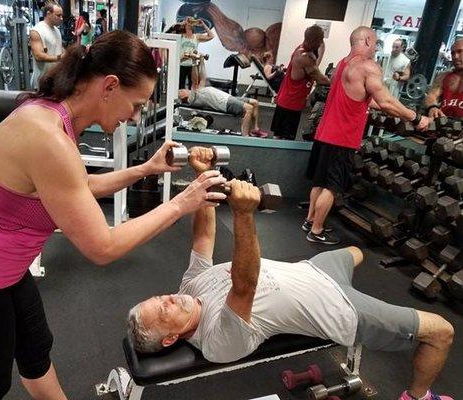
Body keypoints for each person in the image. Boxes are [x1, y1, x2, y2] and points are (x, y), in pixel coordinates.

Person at [0, 30, 227, 400]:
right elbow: (102, 247)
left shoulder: (56, 120)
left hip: (8, 274)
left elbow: (79, 186)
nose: (134, 117)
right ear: (109, 86)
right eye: (136, 104)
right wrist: (182, 203)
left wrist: (145, 169)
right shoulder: (47, 137)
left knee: (36, 354)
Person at [127, 147, 455, 400]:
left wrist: (204, 177)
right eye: (163, 309)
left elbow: (203, 237)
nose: (168, 297)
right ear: (171, 338)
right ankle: (418, 395)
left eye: (159, 297)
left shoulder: (188, 288)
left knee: (356, 252)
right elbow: (244, 286)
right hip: (338, 308)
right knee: (441, 331)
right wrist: (244, 215)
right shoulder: (215, 340)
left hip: (310, 270)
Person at [304, 26, 431, 245]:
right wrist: (417, 118)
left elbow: (363, 99)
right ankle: (316, 230)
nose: (376, 47)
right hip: (342, 137)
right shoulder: (367, 67)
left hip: (325, 134)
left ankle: (309, 220)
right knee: (333, 187)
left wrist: (379, 107)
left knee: (320, 181)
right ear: (367, 41)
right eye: (375, 42)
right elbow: (386, 101)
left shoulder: (343, 63)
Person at [178, 56, 268, 137]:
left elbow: (203, 77)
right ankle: (245, 136)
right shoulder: (192, 99)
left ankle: (255, 129)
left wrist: (201, 60)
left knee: (255, 102)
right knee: (248, 108)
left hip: (228, 98)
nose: (183, 89)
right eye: (181, 91)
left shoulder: (198, 91)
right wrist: (194, 62)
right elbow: (194, 81)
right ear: (183, 97)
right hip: (224, 103)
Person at [271, 25, 331, 141]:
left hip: (286, 100)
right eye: (320, 41)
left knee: (278, 136)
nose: (320, 44)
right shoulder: (305, 58)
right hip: (291, 103)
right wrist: (336, 83)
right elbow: (320, 78)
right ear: (315, 41)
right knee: (284, 140)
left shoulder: (301, 49)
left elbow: (313, 67)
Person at [424, 39, 463, 119]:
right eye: (453, 53)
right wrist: (432, 107)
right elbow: (432, 95)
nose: (455, 56)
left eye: (460, 52)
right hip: (443, 123)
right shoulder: (443, 76)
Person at [29, 1, 64, 89]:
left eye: (61, 15)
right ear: (48, 14)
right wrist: (59, 58)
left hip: (55, 80)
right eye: (58, 15)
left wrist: (69, 54)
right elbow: (38, 56)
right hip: (42, 82)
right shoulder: (37, 30)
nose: (61, 18)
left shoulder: (56, 30)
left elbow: (58, 48)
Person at [178, 17, 214, 89]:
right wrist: (184, 22)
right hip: (181, 64)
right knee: (180, 86)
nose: (190, 25)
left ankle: (191, 100)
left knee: (193, 86)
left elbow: (211, 36)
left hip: (192, 65)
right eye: (188, 23)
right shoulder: (181, 36)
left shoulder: (196, 37)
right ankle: (181, 100)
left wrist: (203, 24)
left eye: (191, 23)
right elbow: (172, 30)